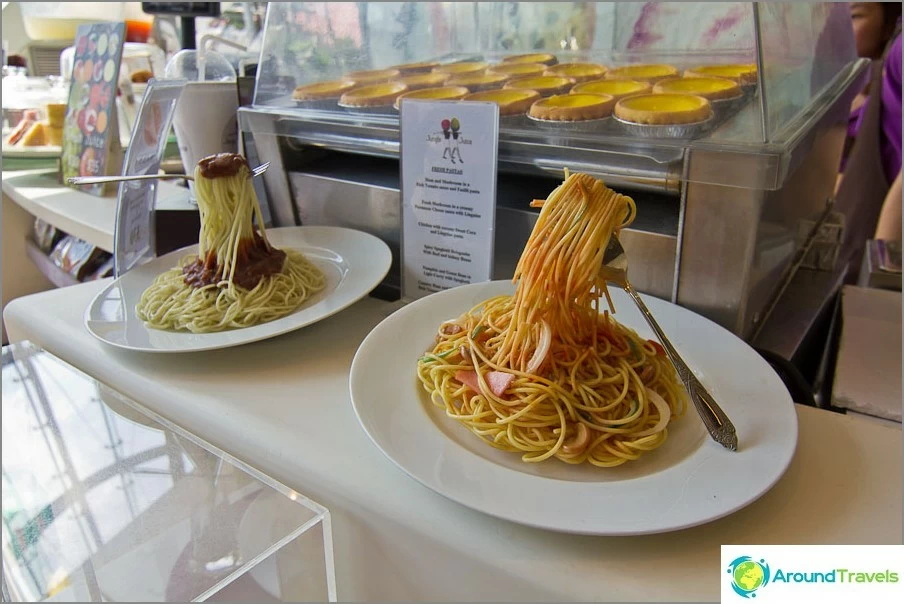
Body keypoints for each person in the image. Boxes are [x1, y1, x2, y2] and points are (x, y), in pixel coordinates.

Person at [835, 5, 902, 277]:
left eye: (853, 17)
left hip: (875, 251)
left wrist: (881, 280)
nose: (837, 31)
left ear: (888, 24)